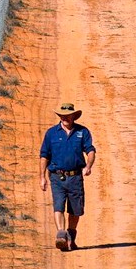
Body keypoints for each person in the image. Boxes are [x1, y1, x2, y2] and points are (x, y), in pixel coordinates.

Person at [40, 102, 96, 251]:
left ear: (73, 116)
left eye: (68, 115)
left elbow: (90, 151)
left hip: (76, 177)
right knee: (58, 205)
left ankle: (71, 237)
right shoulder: (51, 133)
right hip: (57, 177)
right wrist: (42, 177)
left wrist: (88, 166)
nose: (65, 118)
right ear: (59, 116)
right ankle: (61, 235)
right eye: (62, 115)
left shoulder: (82, 132)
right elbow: (44, 155)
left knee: (75, 210)